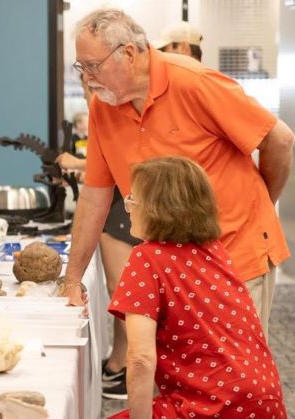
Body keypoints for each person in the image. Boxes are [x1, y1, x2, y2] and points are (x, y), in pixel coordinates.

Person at [62, 8, 293, 342]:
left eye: (93, 66)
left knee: (232, 377)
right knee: (183, 375)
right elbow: (95, 196)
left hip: (236, 255)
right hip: (172, 267)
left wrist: (263, 204)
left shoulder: (193, 82)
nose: (87, 77)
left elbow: (280, 139)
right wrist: (72, 279)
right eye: (81, 67)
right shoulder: (103, 107)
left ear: (128, 53)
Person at [108, 156, 285, 419]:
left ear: (158, 208)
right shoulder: (215, 250)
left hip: (210, 404)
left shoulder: (146, 258)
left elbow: (139, 359)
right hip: (265, 399)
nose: (129, 207)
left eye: (134, 199)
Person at [57, 74, 141, 399]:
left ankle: (128, 366)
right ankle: (120, 361)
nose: (87, 86)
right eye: (82, 79)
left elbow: (116, 162)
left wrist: (77, 163)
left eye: (90, 79)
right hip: (116, 205)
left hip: (121, 207)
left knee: (123, 289)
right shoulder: (104, 109)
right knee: (121, 290)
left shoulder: (115, 108)